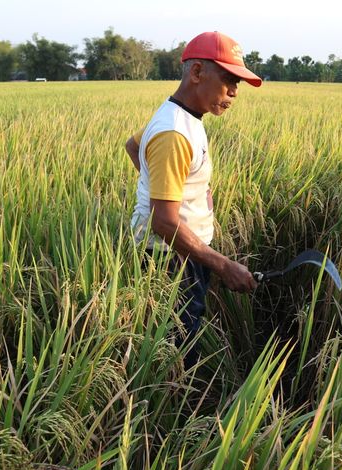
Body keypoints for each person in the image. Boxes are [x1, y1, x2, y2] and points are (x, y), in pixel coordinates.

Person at [125, 31, 262, 358]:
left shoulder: (183, 116)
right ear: (198, 72)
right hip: (171, 258)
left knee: (178, 330)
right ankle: (173, 401)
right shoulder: (175, 132)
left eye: (238, 83)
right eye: (229, 79)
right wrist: (224, 265)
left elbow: (133, 146)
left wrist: (169, 189)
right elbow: (164, 223)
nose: (234, 92)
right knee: (175, 342)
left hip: (182, 250)